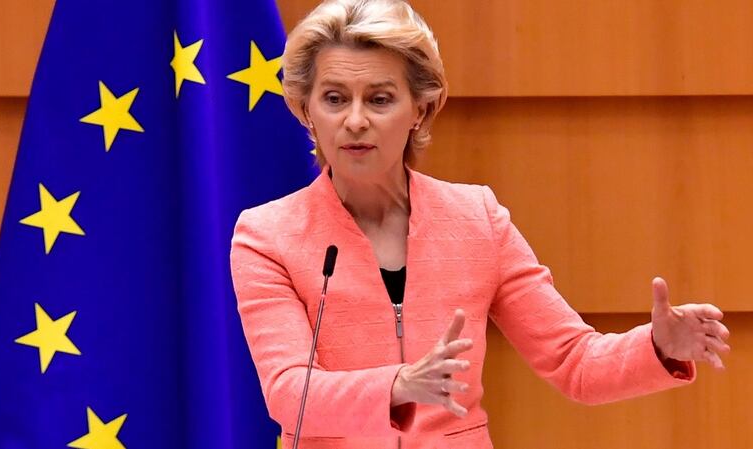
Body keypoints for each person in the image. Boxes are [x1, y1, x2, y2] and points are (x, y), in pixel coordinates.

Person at [229, 1, 732, 448]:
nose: (355, 120)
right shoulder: (268, 235)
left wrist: (657, 347)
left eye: (379, 99)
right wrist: (400, 384)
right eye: (335, 99)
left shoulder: (477, 219)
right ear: (306, 110)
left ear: (420, 109)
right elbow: (290, 392)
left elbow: (574, 361)